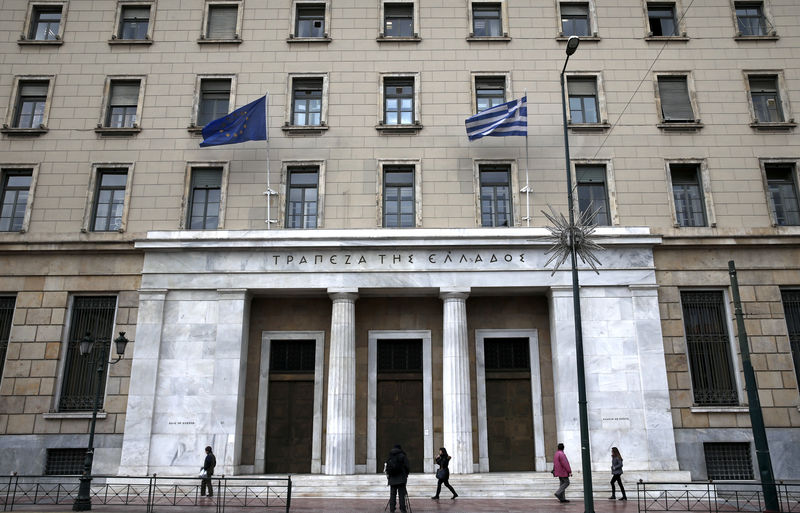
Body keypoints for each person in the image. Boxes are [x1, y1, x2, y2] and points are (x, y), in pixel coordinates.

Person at [385, 444, 410, 513]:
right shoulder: (403, 456)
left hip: (392, 479)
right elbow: (407, 467)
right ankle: (403, 509)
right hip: (401, 478)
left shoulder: (390, 456)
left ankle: (392, 509)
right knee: (401, 495)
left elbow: (387, 468)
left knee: (392, 495)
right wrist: (406, 475)